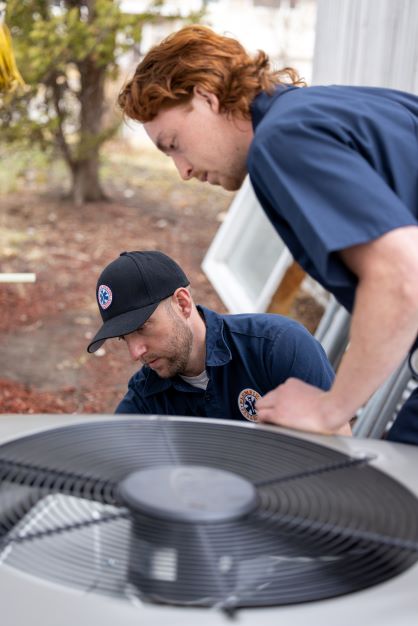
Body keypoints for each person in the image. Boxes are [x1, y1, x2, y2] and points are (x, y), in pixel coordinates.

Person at [116, 25, 418, 444]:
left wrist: (330, 407)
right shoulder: (323, 108)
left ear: (206, 96)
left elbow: (401, 278)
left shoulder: (282, 139)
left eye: (174, 144)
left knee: (391, 502)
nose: (182, 171)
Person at [87, 250, 343, 428]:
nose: (135, 353)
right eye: (124, 338)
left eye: (142, 327)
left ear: (182, 303)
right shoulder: (146, 396)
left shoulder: (278, 346)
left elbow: (337, 447)